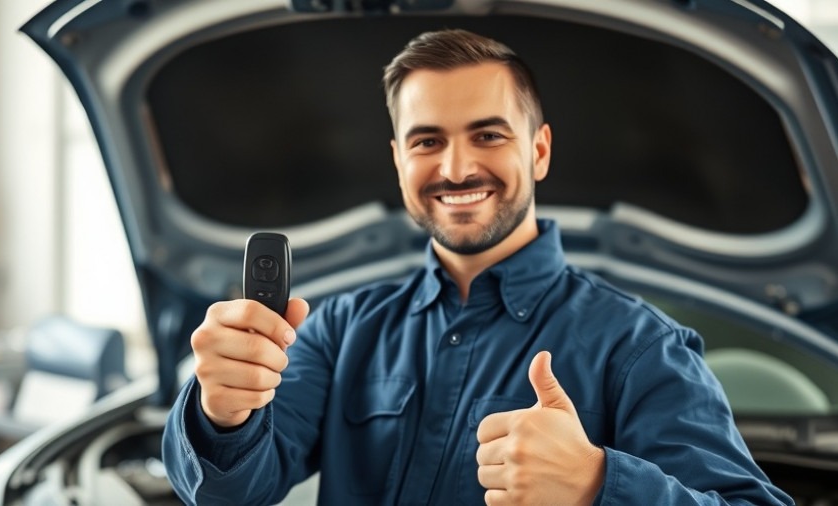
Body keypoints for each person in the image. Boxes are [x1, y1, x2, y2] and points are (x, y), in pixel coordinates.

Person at [162, 29, 793, 505]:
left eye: (489, 135)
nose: (457, 168)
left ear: (539, 150)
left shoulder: (639, 347)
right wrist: (221, 411)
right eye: (427, 140)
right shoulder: (339, 329)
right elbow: (229, 495)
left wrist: (600, 483)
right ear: (398, 159)